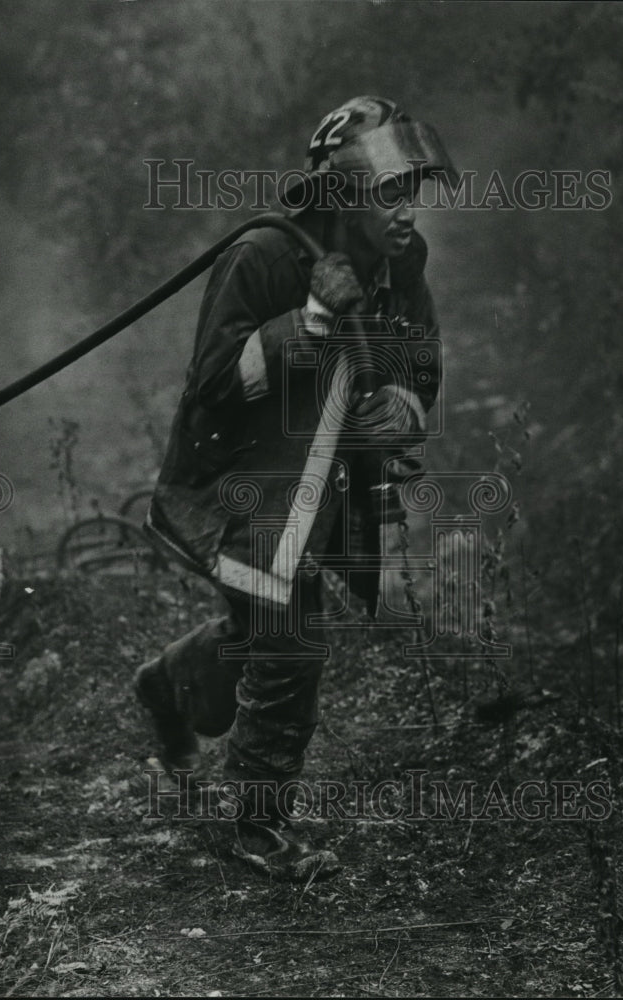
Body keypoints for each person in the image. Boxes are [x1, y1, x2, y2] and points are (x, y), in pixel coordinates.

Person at [136, 96, 457, 880]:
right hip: (240, 485)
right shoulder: (264, 258)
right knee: (290, 638)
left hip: (326, 485)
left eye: (411, 190)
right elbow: (212, 384)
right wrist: (309, 320)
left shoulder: (400, 265)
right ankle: (256, 827)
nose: (406, 210)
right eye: (388, 192)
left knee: (270, 626)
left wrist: (402, 407)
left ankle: (170, 684)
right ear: (342, 193)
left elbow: (421, 365)